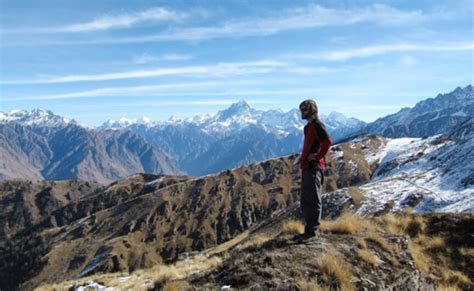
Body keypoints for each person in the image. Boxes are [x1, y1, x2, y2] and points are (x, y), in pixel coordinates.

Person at [295, 99, 333, 241]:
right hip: (307, 167)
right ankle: (308, 230)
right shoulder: (308, 127)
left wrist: (316, 156)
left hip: (313, 168)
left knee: (313, 199)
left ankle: (313, 232)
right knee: (306, 199)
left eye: (305, 109)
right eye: (301, 109)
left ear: (312, 110)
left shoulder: (317, 125)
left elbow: (327, 141)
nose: (302, 112)